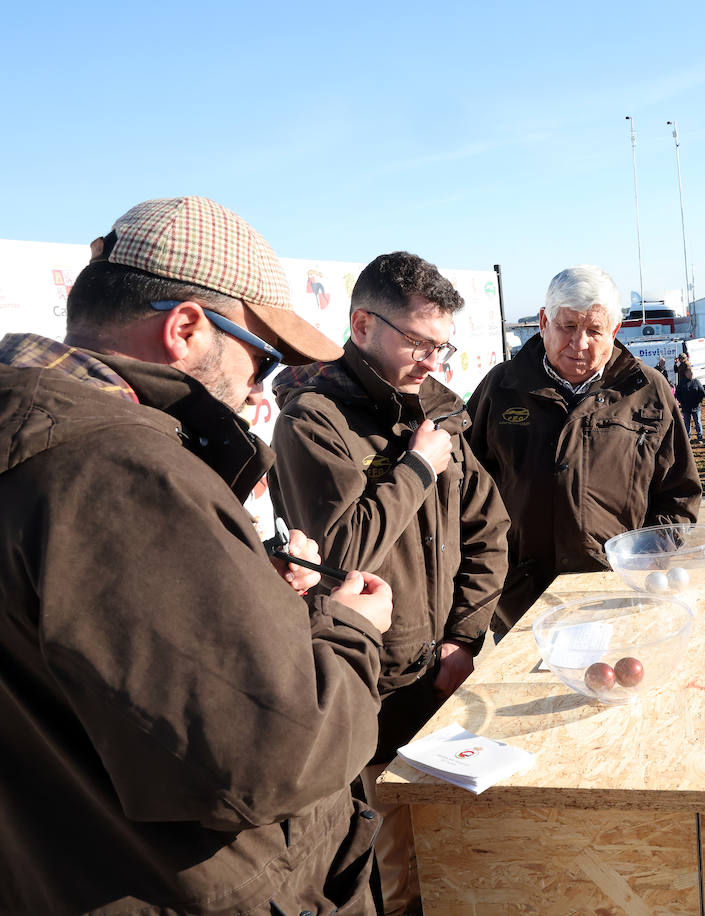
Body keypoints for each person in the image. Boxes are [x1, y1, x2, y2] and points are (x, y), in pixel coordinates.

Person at [0, 196, 393, 913]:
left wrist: (255, 598)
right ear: (185, 327)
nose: (257, 390)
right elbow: (269, 757)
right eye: (263, 360)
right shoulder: (116, 468)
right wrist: (348, 628)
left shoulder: (36, 437)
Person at [268, 251, 512, 915]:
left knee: (453, 861)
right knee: (390, 878)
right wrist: (416, 470)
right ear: (363, 325)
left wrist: (464, 638)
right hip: (359, 690)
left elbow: (488, 531)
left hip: (439, 678)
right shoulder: (314, 420)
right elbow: (338, 554)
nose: (434, 361)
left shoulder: (438, 413)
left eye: (443, 345)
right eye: (418, 343)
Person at [466, 265, 702, 636]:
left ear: (614, 331)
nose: (579, 344)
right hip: (523, 605)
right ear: (543, 321)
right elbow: (463, 493)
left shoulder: (648, 392)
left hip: (617, 599)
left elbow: (678, 495)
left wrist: (643, 561)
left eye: (594, 330)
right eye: (567, 327)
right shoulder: (500, 389)